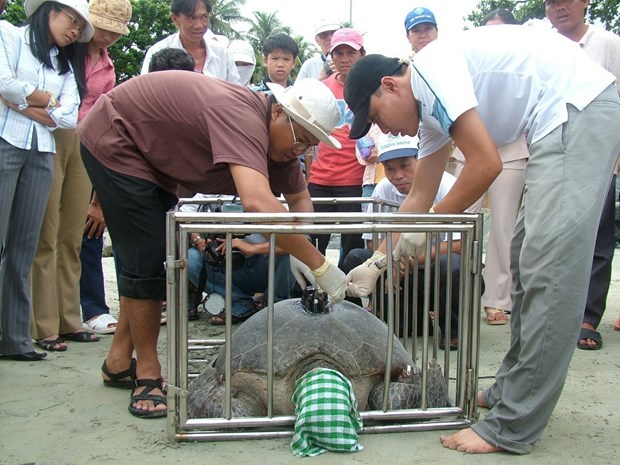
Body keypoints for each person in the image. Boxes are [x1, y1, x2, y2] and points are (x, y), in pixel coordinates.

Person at [343, 25, 620, 454]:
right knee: (528, 261)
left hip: (576, 108)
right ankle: (512, 388)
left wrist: (431, 225)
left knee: (550, 270)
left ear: (390, 84)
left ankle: (513, 424)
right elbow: (418, 196)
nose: (383, 128)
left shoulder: (430, 71)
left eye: (376, 116)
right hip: (555, 118)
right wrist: (377, 262)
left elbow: (485, 165)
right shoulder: (430, 114)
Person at [77, 72, 347, 418]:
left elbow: (300, 201)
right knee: (147, 259)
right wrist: (319, 264)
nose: (300, 151)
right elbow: (258, 203)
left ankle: (117, 360)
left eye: (309, 145)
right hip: (118, 138)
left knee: (149, 257)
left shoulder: (283, 148)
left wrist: (304, 245)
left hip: (153, 160)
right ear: (278, 112)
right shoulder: (242, 116)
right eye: (299, 139)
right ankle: (147, 371)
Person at [31, 0, 132, 349]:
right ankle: (43, 324)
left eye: (116, 32)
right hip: (51, 135)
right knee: (46, 233)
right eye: (104, 27)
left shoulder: (108, 67)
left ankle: (70, 319)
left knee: (73, 237)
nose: (108, 36)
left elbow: (104, 117)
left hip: (86, 145)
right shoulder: (63, 51)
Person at [0, 0, 93, 362]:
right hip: (5, 142)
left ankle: (15, 338)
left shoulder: (66, 65)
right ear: (49, 11)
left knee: (23, 247)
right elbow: (4, 82)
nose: (75, 31)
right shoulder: (9, 35)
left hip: (42, 151)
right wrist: (44, 102)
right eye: (72, 20)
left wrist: (22, 103)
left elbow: (69, 117)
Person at [546, 0, 620, 350]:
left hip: (597, 152)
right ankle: (552, 314)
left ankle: (588, 316)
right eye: (550, 2)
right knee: (549, 237)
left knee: (596, 238)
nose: (559, 7)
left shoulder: (608, 43)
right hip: (549, 151)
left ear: (586, 2)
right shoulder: (544, 45)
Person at [343, 134, 462, 349]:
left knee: (451, 265)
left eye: (405, 165)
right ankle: (361, 323)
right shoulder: (382, 189)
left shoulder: (448, 185)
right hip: (399, 273)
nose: (397, 175)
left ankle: (452, 330)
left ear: (422, 160)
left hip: (434, 271)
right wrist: (391, 260)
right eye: (389, 169)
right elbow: (372, 243)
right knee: (355, 258)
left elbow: (459, 244)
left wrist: (413, 258)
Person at [306, 28, 367, 269]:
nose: (344, 58)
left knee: (352, 246)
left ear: (362, 53)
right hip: (320, 179)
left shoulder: (370, 87)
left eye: (350, 52)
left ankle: (349, 298)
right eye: (338, 52)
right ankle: (309, 295)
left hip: (354, 179)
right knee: (313, 242)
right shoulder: (321, 88)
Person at [183, 196, 295, 324]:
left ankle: (275, 306)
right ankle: (238, 303)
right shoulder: (209, 191)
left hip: (264, 265)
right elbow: (180, 215)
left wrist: (252, 248)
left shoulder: (267, 192)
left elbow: (295, 242)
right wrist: (198, 239)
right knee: (191, 258)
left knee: (290, 253)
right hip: (225, 265)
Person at [140, 0, 239, 84]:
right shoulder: (157, 53)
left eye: (204, 17)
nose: (199, 25)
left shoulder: (222, 54)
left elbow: (236, 94)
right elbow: (147, 92)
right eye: (191, 18)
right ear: (175, 19)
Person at [296, 17, 342, 82]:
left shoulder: (352, 62)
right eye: (324, 34)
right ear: (317, 40)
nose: (330, 37)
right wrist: (320, 80)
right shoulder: (309, 65)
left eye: (334, 32)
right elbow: (296, 90)